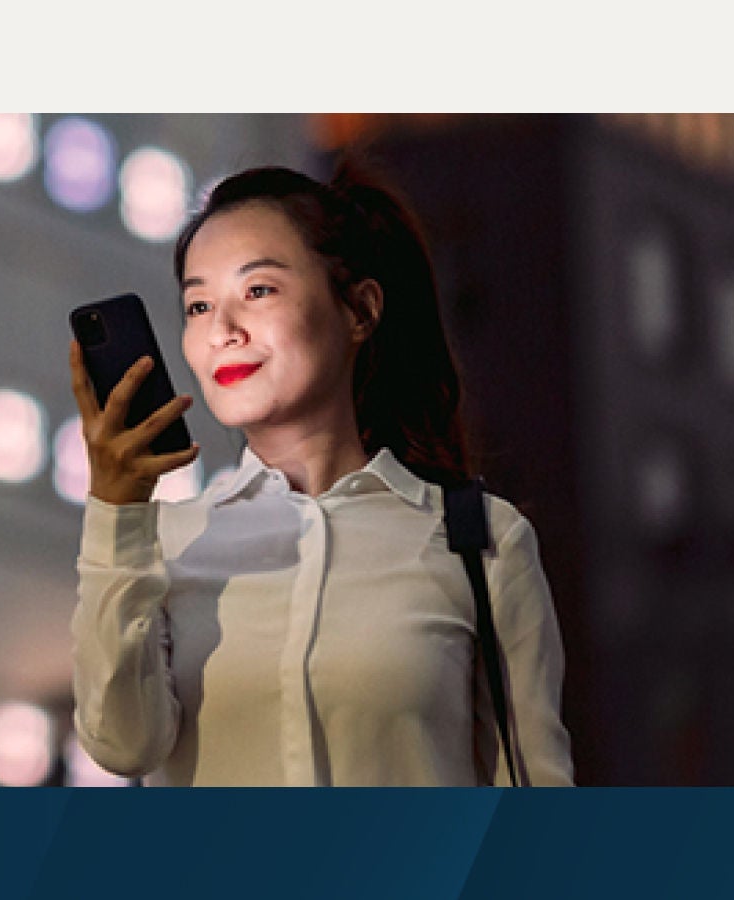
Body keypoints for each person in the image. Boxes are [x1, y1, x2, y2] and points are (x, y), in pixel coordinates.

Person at [67, 161, 574, 786]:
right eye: (199, 305)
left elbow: (537, 790)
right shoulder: (163, 547)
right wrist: (117, 516)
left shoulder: (479, 539)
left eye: (258, 291)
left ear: (359, 310)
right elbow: (120, 744)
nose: (222, 331)